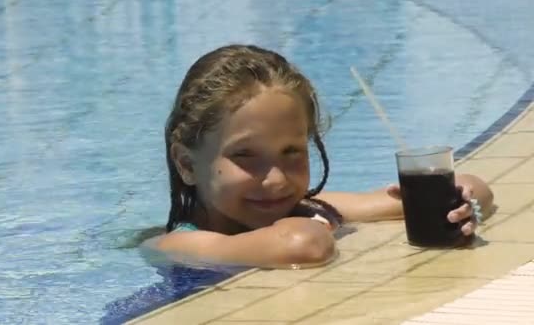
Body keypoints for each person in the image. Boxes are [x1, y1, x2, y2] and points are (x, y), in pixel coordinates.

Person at [146, 44, 494, 269]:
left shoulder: (307, 207)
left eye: (292, 152)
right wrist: (319, 222)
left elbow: (475, 187)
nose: (277, 179)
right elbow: (303, 245)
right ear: (187, 164)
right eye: (245, 155)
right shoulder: (181, 244)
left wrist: (454, 206)